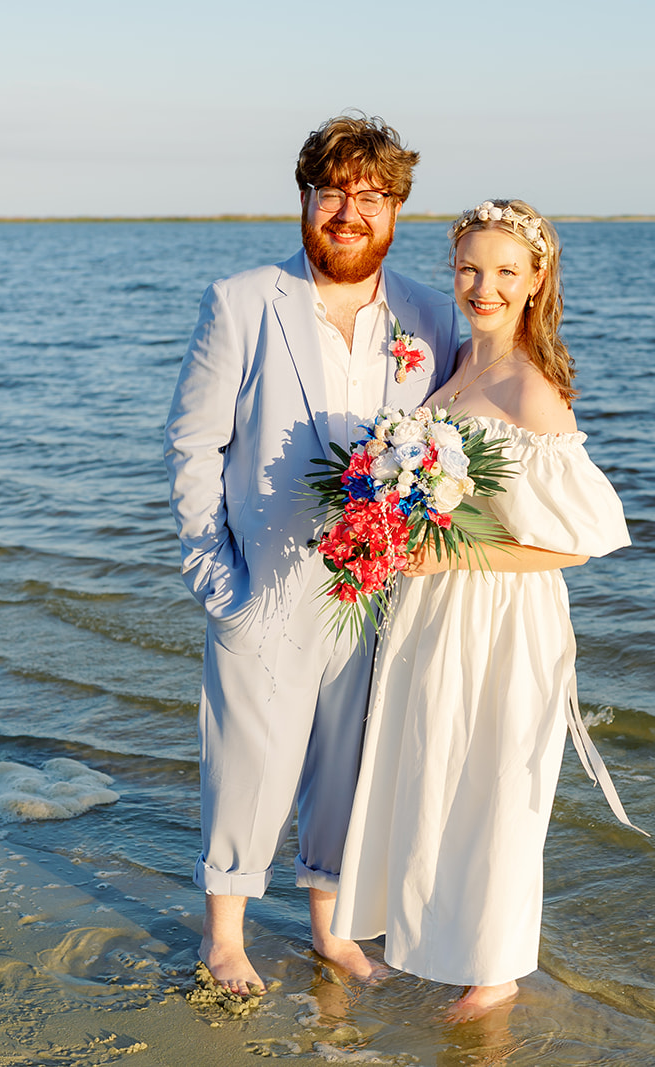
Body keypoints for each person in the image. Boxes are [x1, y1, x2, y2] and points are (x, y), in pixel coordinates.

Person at [164, 114, 460, 995]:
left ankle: (328, 928)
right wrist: (221, 583)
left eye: (370, 196)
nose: (348, 211)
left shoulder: (428, 316)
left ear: (396, 209)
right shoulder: (243, 301)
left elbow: (451, 441)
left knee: (350, 764)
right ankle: (226, 935)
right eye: (332, 192)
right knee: (249, 762)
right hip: (267, 582)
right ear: (304, 199)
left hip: (377, 597)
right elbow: (192, 448)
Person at [330, 199, 642, 1019]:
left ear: (537, 281)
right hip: (432, 613)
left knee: (499, 784)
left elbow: (585, 540)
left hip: (503, 620)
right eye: (471, 267)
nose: (484, 285)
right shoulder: (453, 363)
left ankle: (496, 972)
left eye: (506, 270)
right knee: (434, 770)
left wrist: (453, 552)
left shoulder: (534, 391)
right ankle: (434, 936)